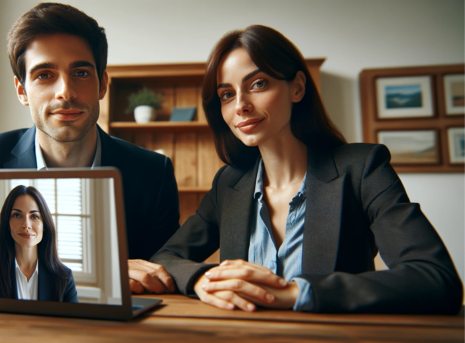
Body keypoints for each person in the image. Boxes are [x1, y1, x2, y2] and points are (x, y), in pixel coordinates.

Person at [151, 25, 463, 314]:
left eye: (257, 84)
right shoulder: (228, 184)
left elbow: (436, 278)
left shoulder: (363, 168)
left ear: (297, 87)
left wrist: (295, 292)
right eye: (227, 94)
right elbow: (165, 260)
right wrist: (202, 280)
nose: (240, 106)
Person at [0, 3, 177, 295]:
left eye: (81, 73)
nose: (65, 90)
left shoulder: (154, 174)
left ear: (102, 84)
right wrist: (77, 268)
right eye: (44, 75)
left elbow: (165, 273)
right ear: (22, 91)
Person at [0, 185, 77, 302]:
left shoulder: (63, 277)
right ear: (7, 223)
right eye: (17, 215)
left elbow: (73, 320)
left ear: (44, 225)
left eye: (34, 216)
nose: (26, 225)